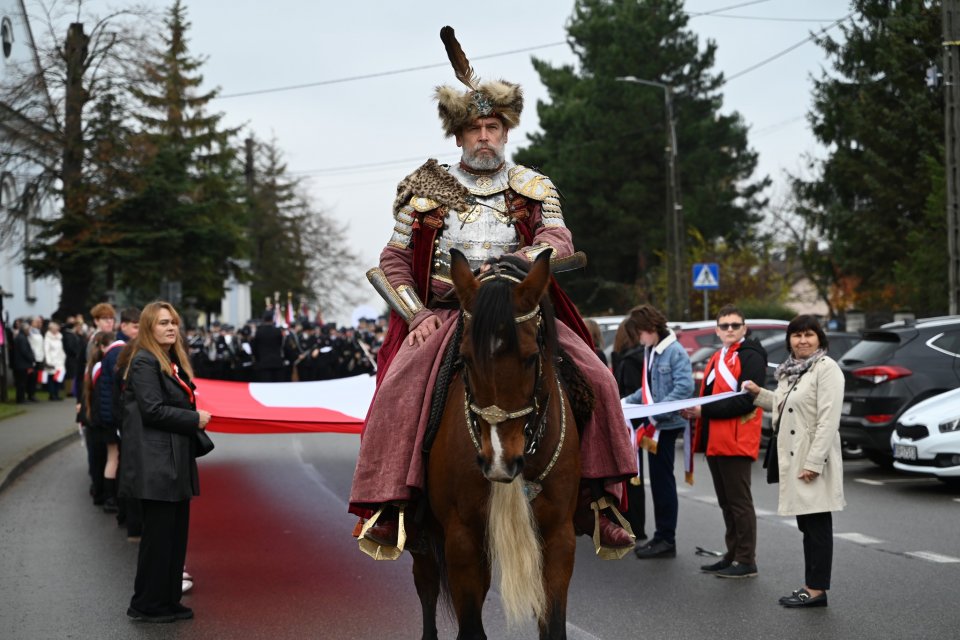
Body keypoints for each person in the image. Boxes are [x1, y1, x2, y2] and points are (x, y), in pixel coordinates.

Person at [350, 26, 637, 557]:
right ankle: (389, 505)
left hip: (518, 310)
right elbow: (391, 260)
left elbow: (557, 237)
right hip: (447, 314)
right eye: (474, 128)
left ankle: (603, 499)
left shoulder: (534, 186)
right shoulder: (423, 191)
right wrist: (417, 318)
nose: (484, 136)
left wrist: (519, 264)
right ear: (457, 136)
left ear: (506, 133)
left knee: (596, 376)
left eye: (493, 127)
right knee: (396, 389)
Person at [743, 315, 845, 608]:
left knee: (817, 526)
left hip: (812, 459)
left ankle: (815, 590)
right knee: (808, 525)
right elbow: (784, 405)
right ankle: (812, 586)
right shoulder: (792, 371)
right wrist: (758, 394)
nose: (802, 340)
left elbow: (828, 420)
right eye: (796, 335)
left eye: (808, 335)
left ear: (819, 339)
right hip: (794, 456)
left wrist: (814, 462)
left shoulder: (827, 369)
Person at [118, 301, 211, 623]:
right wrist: (194, 418)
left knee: (173, 538)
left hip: (172, 462)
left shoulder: (167, 361)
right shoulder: (144, 361)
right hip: (156, 466)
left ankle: (168, 599)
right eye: (162, 323)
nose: (170, 328)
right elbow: (152, 410)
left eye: (173, 322)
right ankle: (146, 605)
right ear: (148, 328)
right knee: (158, 541)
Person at [683, 304, 767, 578]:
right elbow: (708, 394)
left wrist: (703, 411)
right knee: (727, 503)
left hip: (736, 439)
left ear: (744, 327)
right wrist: (696, 408)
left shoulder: (751, 355)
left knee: (739, 503)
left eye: (735, 324)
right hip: (717, 440)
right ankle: (732, 554)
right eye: (724, 325)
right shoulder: (719, 356)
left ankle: (746, 559)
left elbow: (746, 401)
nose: (730, 329)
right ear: (717, 330)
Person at [621, 305, 694, 559]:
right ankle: (661, 535)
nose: (639, 339)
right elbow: (647, 390)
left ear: (651, 329)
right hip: (656, 423)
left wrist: (658, 412)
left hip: (666, 425)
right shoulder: (651, 351)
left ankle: (667, 538)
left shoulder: (673, 352)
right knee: (659, 483)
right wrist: (624, 403)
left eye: (639, 333)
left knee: (663, 484)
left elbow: (684, 387)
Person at [611, 308, 652, 541]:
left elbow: (628, 390)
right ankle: (635, 525)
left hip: (629, 423)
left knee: (630, 477)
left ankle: (633, 525)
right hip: (636, 422)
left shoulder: (628, 360)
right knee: (634, 477)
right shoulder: (637, 358)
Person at [100, 308, 140, 523]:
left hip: (111, 414)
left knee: (115, 458)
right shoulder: (120, 351)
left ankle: (113, 500)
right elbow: (116, 389)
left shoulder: (117, 348)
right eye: (135, 326)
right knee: (117, 460)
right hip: (115, 417)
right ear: (122, 326)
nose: (139, 330)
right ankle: (114, 501)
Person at [43, 321, 67, 400]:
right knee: (52, 379)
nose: (57, 329)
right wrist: (49, 362)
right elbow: (46, 350)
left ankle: (56, 394)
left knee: (58, 379)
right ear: (51, 329)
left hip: (59, 361)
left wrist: (63, 356)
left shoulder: (59, 337)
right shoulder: (47, 338)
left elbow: (61, 349)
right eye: (55, 328)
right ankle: (52, 395)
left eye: (57, 328)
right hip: (52, 361)